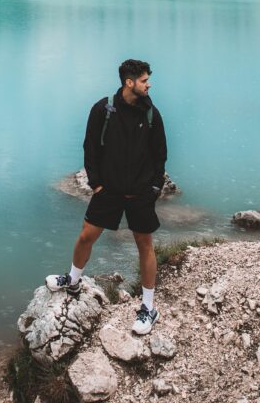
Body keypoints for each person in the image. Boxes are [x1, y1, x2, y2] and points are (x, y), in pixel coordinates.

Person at [46, 58, 167, 335]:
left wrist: (154, 189)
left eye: (147, 80)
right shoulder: (104, 109)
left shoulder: (151, 114)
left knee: (144, 245)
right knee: (86, 235)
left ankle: (148, 307)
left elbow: (160, 153)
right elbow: (90, 147)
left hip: (139, 193)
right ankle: (73, 280)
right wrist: (96, 184)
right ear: (129, 82)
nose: (148, 85)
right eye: (144, 80)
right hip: (108, 191)